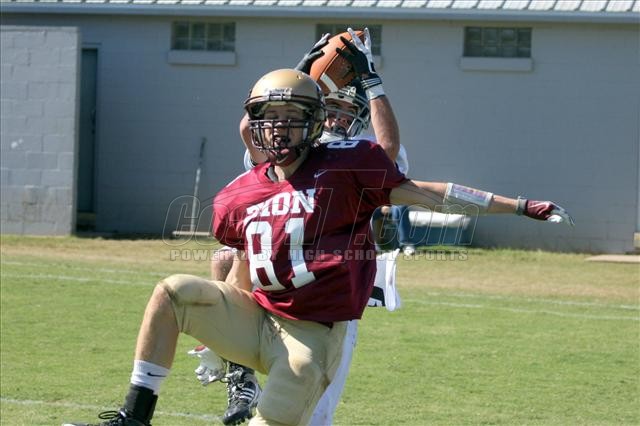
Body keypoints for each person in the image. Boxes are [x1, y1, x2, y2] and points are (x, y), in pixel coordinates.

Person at [66, 67, 573, 426]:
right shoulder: (239, 193)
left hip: (311, 338)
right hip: (256, 316)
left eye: (291, 117)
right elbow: (240, 262)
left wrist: (518, 205)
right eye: (270, 117)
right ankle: (135, 415)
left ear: (313, 121)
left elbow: (431, 194)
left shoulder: (346, 166)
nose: (278, 127)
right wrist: (221, 339)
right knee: (173, 291)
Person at [189, 28, 410, 426]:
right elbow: (251, 128)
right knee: (226, 257)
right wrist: (297, 76)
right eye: (331, 108)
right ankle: (240, 374)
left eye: (347, 111)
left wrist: (371, 80)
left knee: (313, 412)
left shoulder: (359, 155)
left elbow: (389, 151)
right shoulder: (290, 145)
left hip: (330, 292)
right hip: (277, 283)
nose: (338, 118)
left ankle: (241, 371)